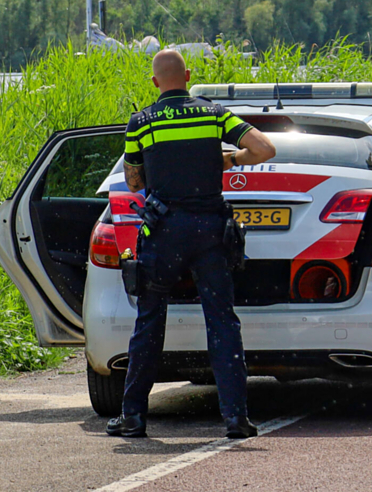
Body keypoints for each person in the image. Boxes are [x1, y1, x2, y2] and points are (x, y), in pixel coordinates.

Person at [106, 50, 276, 439]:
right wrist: (227, 159)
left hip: (163, 231)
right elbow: (266, 149)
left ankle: (133, 416)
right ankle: (236, 418)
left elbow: (133, 182)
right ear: (187, 75)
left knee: (149, 322)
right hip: (209, 231)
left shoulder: (141, 122)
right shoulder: (213, 114)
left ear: (155, 83)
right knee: (221, 321)